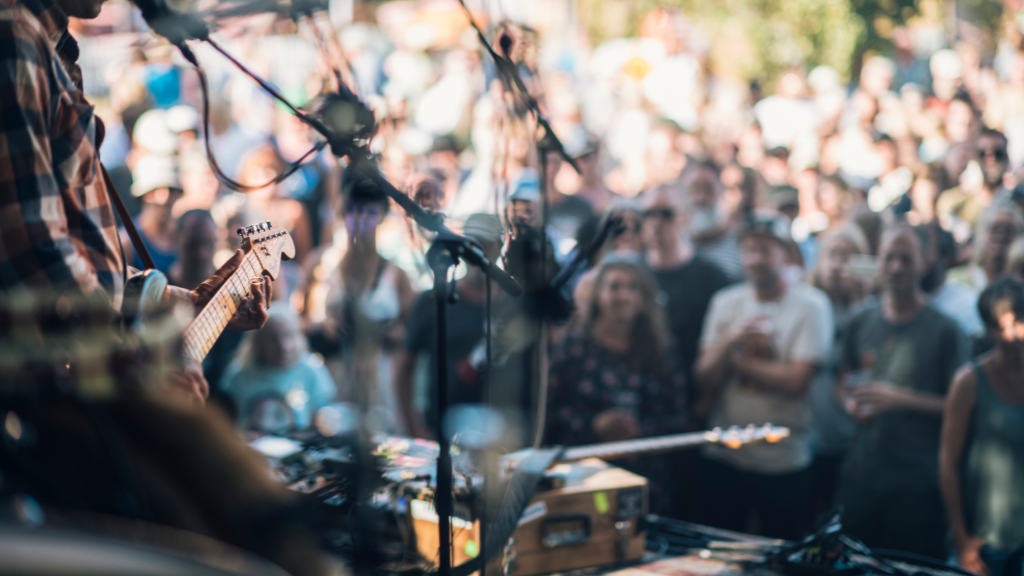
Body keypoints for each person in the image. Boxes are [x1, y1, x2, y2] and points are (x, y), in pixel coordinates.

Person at [0, 0, 271, 403]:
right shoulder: (14, 39)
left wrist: (191, 303)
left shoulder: (48, 48)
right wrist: (132, 361)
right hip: (39, 394)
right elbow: (34, 247)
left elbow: (84, 266)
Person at [694, 214, 833, 539]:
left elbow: (796, 382)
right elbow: (703, 376)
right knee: (720, 547)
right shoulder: (725, 302)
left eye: (765, 251)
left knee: (779, 548)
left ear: (786, 254)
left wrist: (736, 362)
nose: (756, 259)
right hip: (725, 453)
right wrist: (732, 339)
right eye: (749, 250)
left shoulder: (811, 306)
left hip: (784, 459)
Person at [836, 224, 969, 559]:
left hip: (917, 483)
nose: (896, 268)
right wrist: (850, 404)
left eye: (906, 259)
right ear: (878, 260)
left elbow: (964, 407)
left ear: (924, 262)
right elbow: (843, 380)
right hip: (861, 474)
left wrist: (901, 399)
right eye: (889, 258)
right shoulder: (860, 320)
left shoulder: (946, 330)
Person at [545, 258, 687, 514]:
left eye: (632, 288)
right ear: (599, 294)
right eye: (614, 287)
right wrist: (594, 426)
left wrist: (640, 429)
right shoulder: (574, 347)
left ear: (644, 297)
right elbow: (549, 411)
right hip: (584, 476)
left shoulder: (660, 351)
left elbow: (679, 416)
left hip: (648, 480)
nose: (623, 296)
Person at [305, 171, 414, 430]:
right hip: (337, 374)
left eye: (370, 213)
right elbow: (303, 322)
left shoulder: (396, 273)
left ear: (381, 217)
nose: (362, 220)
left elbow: (412, 332)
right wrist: (328, 326)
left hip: (381, 378)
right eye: (354, 212)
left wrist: (383, 332)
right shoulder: (323, 265)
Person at [940, 277, 1024, 576]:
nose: (1011, 336)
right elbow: (948, 464)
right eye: (1000, 327)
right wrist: (961, 539)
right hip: (985, 537)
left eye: (1018, 323)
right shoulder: (969, 381)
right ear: (988, 329)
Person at [395, 213, 504, 438]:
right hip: (443, 431)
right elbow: (404, 366)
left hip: (502, 435)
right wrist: (415, 428)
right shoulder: (434, 300)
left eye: (486, 245)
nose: (479, 253)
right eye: (473, 245)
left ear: (499, 247)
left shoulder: (513, 303)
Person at [807, 225, 871, 519]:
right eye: (832, 255)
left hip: (847, 436)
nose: (838, 266)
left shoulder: (870, 311)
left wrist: (861, 302)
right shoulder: (806, 303)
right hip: (809, 430)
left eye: (848, 258)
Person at [222, 310, 336, 434]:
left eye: (289, 335)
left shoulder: (311, 370)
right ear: (258, 342)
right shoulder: (239, 375)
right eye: (273, 338)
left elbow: (323, 415)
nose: (283, 346)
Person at [121, 155, 183, 275]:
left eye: (170, 190)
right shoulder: (127, 243)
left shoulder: (186, 234)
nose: (163, 199)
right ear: (142, 195)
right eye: (155, 190)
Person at [937, 129, 1011, 230]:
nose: (991, 160)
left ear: (1007, 157)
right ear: (973, 157)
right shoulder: (952, 204)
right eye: (982, 153)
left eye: (998, 153)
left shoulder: (1019, 202)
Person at [948, 199, 1024, 292]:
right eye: (994, 229)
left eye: (1009, 230)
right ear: (981, 233)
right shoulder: (955, 280)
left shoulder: (1020, 285)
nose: (1001, 236)